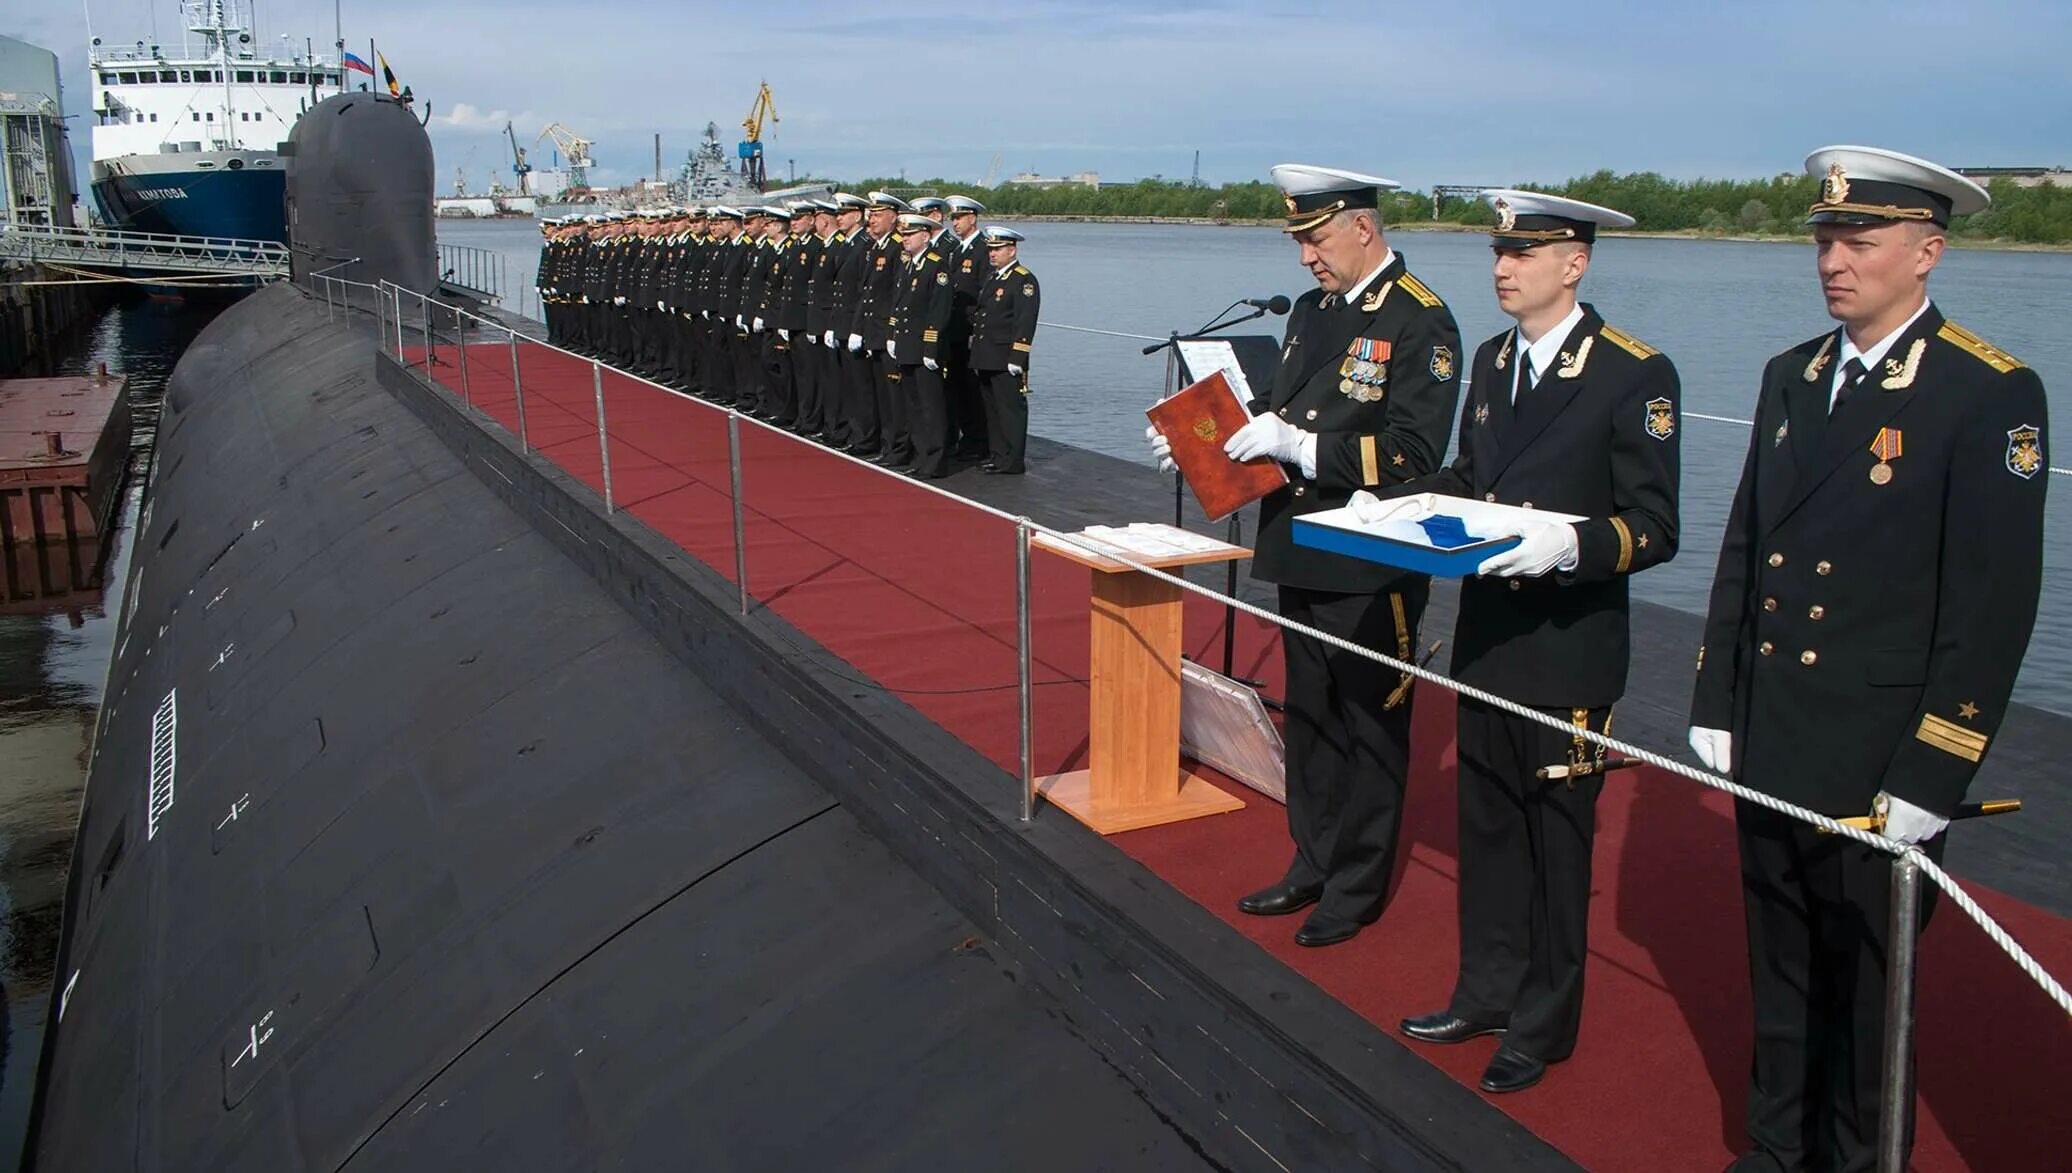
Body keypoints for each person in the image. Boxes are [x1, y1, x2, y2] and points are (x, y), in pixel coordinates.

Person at [1687, 146, 2046, 1173]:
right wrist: (1717, 691)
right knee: (1780, 963)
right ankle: (1770, 1148)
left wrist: (1936, 765)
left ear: (1926, 251)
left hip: (1877, 747)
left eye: (1859, 238)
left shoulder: (1985, 394)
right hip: (1776, 726)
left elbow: (1991, 607)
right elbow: (1746, 544)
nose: (1832, 259)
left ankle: (1853, 1160)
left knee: (1868, 988)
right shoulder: (1789, 376)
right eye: (1823, 238)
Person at [1390, 190, 1681, 1094]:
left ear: (1575, 263)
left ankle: (1543, 1022)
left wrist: (1572, 543)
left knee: (1556, 846)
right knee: (1488, 832)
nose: (1503, 269)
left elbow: (1655, 525)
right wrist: (1406, 502)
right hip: (1489, 638)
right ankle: (1484, 990)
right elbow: (1473, 475)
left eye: (1524, 254)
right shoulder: (1491, 360)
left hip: (1568, 646)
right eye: (1498, 253)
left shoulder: (1634, 372)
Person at [1147, 163, 1462, 947]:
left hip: (1367, 556)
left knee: (1370, 724)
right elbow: (1276, 419)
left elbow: (1417, 453)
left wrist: (1303, 446)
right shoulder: (1316, 314)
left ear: (1362, 226)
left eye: (1316, 238)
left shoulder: (1423, 321)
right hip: (1299, 542)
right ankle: (1311, 856)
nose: (1306, 258)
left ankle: (1356, 884)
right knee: (1313, 716)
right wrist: (1201, 448)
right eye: (1298, 241)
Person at [887, 211, 956, 479]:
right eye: (903, 234)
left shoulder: (936, 266)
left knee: (931, 406)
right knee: (914, 405)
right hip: (907, 344)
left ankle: (936, 460)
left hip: (924, 348)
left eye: (909, 234)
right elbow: (900, 303)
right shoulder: (909, 264)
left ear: (925, 236)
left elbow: (939, 311)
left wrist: (930, 347)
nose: (904, 239)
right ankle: (920, 454)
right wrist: (893, 335)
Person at [969, 225, 1039, 475]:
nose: (992, 254)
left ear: (1012, 249)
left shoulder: (1023, 280)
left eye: (998, 249)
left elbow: (1025, 320)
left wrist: (1018, 356)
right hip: (986, 354)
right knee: (993, 409)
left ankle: (1013, 460)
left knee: (1010, 410)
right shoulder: (993, 277)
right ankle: (998, 455)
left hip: (1006, 355)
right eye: (991, 249)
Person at [944, 194, 991, 460]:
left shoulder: (983, 249)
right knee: (958, 387)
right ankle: (967, 436)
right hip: (955, 329)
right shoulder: (957, 250)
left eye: (959, 218)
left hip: (971, 330)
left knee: (973, 391)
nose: (955, 223)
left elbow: (984, 291)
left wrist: (977, 330)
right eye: (953, 218)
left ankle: (978, 441)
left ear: (972, 218)